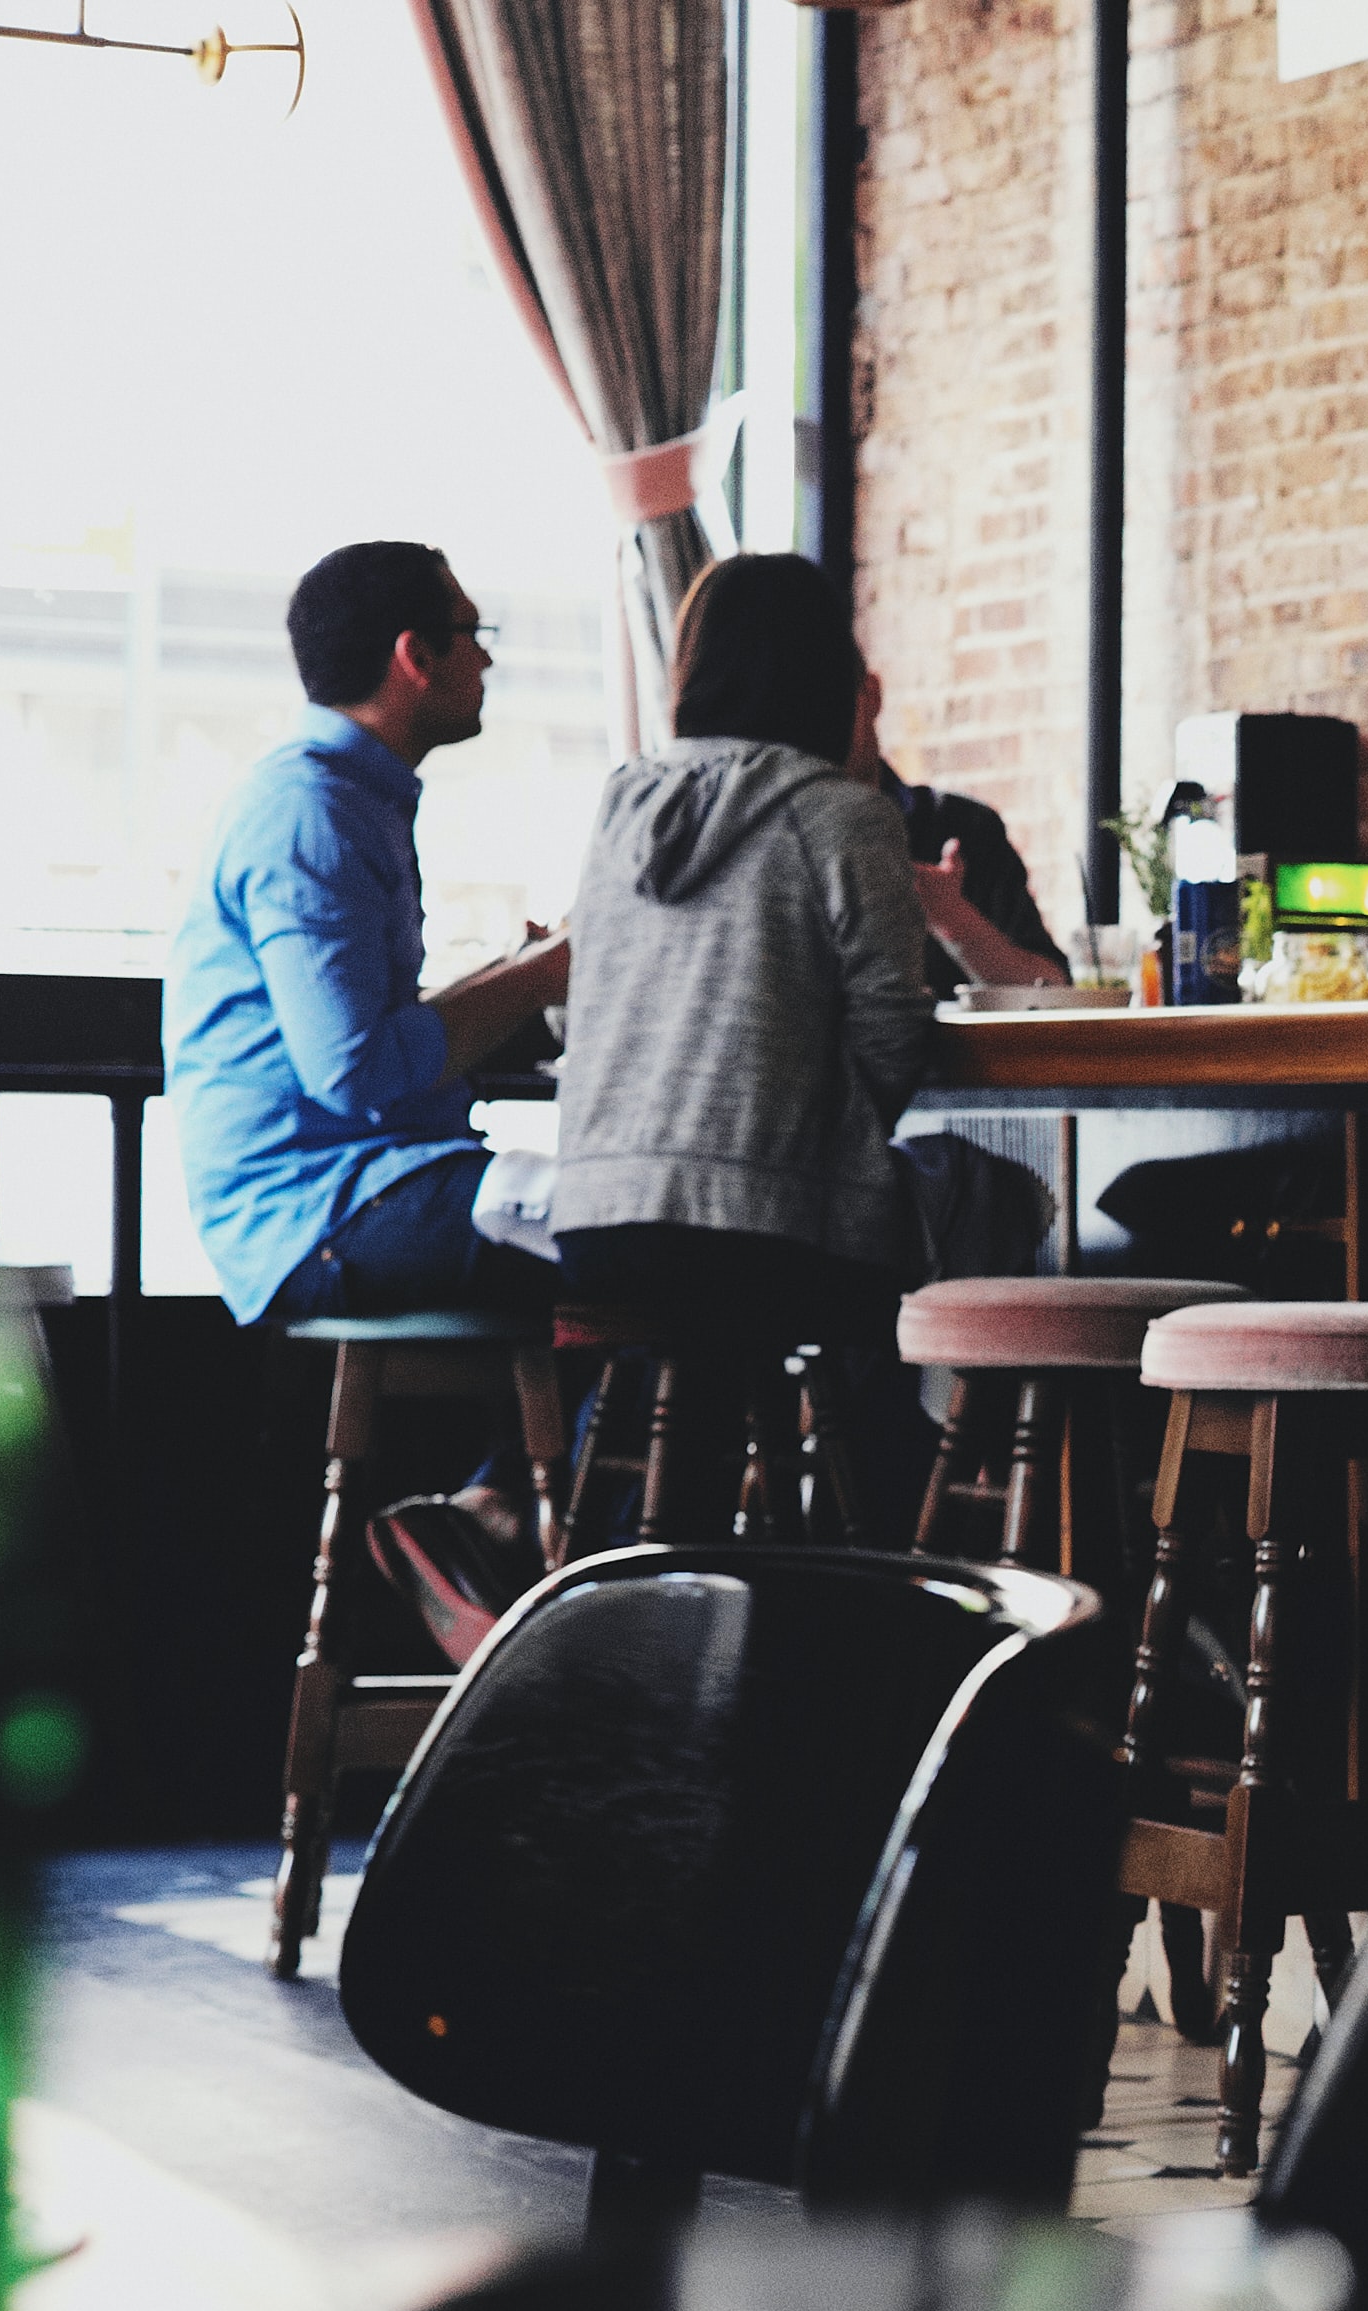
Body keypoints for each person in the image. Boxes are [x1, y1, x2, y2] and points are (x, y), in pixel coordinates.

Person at [166, 539, 569, 1649]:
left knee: (643, 1229)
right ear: (415, 657)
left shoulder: (348, 796)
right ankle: (527, 1555)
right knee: (642, 1232)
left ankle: (488, 1519)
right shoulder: (312, 813)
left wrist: (507, 979)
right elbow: (350, 1068)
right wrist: (540, 979)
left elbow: (363, 1044)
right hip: (320, 1205)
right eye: (475, 638)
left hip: (355, 1181)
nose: (488, 665)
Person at [547, 553, 946, 1538]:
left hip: (597, 1229)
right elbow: (895, 1027)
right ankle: (879, 1584)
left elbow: (567, 1011)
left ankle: (631, 1595)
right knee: (957, 1226)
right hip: (767, 1235)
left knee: (706, 1336)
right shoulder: (842, 815)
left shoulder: (619, 807)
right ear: (829, 674)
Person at [853, 676, 1069, 994]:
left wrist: (952, 919)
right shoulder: (774, 836)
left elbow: (1053, 989)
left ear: (871, 694)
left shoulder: (962, 826)